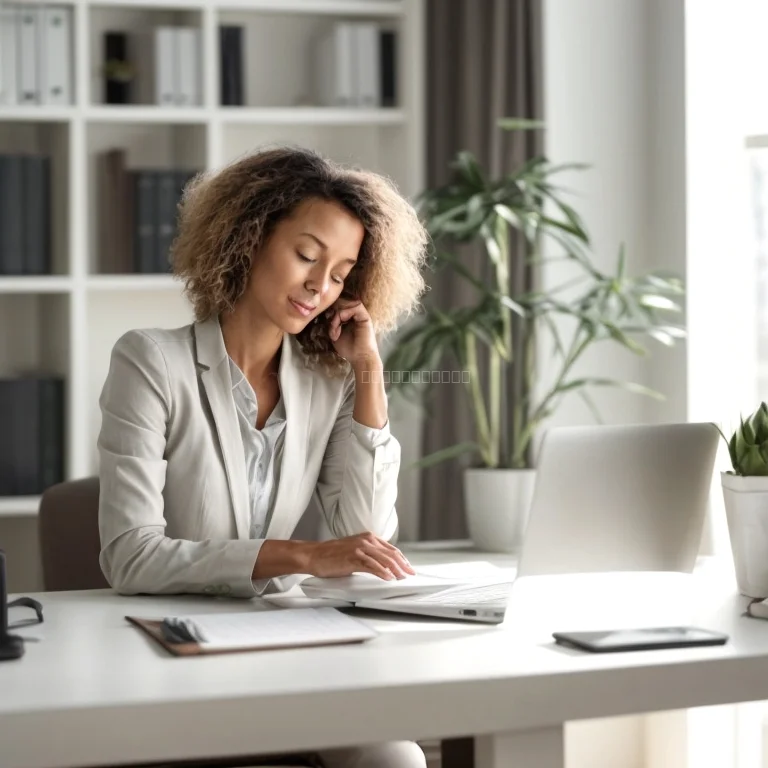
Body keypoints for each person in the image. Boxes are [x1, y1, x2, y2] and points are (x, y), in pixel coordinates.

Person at [96, 146, 430, 768]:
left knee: (396, 758)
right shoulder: (150, 361)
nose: (319, 286)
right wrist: (302, 556)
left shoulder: (325, 383)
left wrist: (367, 371)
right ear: (248, 237)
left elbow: (366, 535)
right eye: (307, 255)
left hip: (285, 642)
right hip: (170, 649)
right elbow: (130, 557)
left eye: (340, 273)